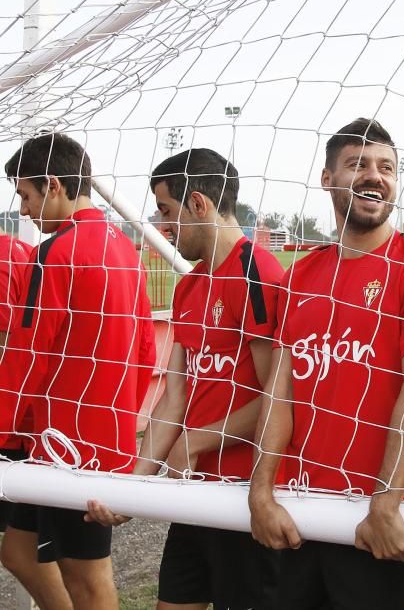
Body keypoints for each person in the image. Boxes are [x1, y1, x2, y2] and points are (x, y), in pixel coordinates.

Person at [249, 118, 404, 608]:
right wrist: (261, 492)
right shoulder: (299, 276)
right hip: (296, 513)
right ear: (327, 178)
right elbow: (279, 393)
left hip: (372, 521)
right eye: (357, 164)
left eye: (386, 167)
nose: (374, 176)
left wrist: (386, 503)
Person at [85, 148, 284, 609]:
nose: (163, 223)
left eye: (167, 211)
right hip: (192, 496)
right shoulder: (190, 285)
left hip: (243, 499)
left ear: (198, 204)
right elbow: (173, 398)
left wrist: (197, 442)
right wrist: (130, 488)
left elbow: (280, 400)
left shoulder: (256, 273)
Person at [0, 133, 155, 610]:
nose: (23, 210)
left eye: (25, 195)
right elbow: (145, 347)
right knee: (18, 551)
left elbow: (28, 357)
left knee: (86, 579)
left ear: (52, 185)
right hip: (88, 432)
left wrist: (2, 427)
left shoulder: (55, 253)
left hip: (67, 444)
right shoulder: (124, 246)